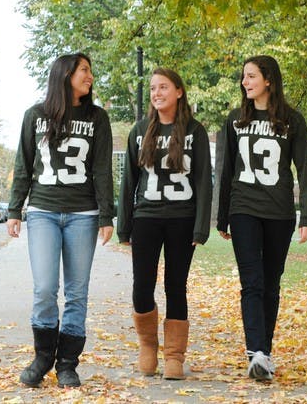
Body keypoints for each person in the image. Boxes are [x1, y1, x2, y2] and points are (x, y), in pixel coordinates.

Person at [6, 52, 114, 388]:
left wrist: (106, 214)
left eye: (90, 72)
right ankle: (42, 358)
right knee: (44, 289)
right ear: (65, 74)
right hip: (43, 212)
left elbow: (101, 169)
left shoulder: (98, 118)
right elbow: (24, 164)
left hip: (83, 214)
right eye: (84, 70)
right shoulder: (35, 115)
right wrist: (14, 209)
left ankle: (67, 364)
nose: (90, 76)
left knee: (77, 293)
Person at [217, 55, 307, 381]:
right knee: (252, 283)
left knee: (271, 285)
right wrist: (222, 216)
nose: (245, 82)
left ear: (269, 80)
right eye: (244, 77)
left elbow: (304, 170)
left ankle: (264, 355)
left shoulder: (292, 120)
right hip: (244, 209)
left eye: (251, 76)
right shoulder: (234, 120)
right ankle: (255, 351)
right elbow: (226, 169)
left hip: (279, 213)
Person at [117, 68, 212, 380]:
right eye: (154, 89)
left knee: (176, 286)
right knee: (142, 285)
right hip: (146, 217)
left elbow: (203, 182)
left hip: (182, 220)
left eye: (164, 87)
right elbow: (129, 181)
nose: (157, 93)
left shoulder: (195, 132)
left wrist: (201, 227)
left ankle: (174, 355)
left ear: (179, 92)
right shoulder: (140, 129)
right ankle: (148, 346)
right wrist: (124, 224)